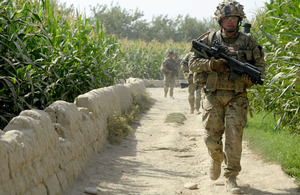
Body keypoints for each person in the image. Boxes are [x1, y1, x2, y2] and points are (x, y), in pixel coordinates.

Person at [188, 0, 266, 193]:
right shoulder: (209, 39)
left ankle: (231, 177)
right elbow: (192, 62)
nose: (231, 22)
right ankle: (216, 159)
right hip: (213, 95)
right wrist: (211, 65)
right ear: (220, 20)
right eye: (227, 18)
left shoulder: (248, 41)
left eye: (234, 18)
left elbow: (260, 67)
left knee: (234, 138)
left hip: (237, 96)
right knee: (210, 138)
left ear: (239, 20)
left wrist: (250, 79)